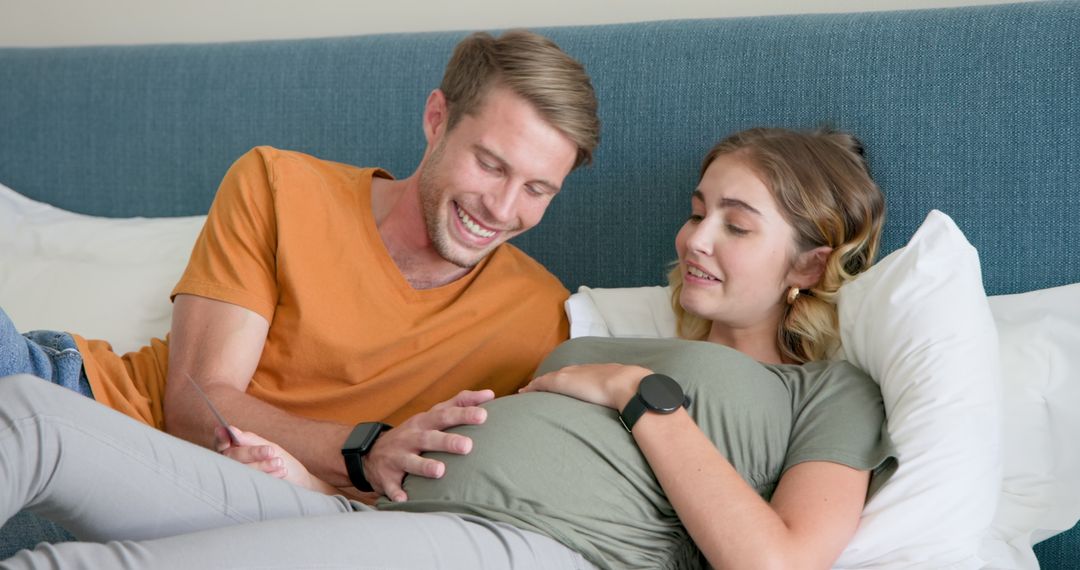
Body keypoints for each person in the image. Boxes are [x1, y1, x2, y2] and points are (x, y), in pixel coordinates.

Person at [0, 127, 894, 569]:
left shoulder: (826, 392)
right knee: (32, 415)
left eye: (737, 226)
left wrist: (635, 390)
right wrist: (314, 476)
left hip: (523, 547)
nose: (696, 239)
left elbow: (777, 563)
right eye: (699, 211)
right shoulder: (600, 331)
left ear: (809, 265)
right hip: (381, 517)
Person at [0, 29, 600, 500]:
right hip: (97, 404)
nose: (501, 208)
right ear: (437, 118)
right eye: (491, 165)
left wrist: (316, 481)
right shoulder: (279, 185)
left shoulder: (542, 322)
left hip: (244, 502)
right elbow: (194, 403)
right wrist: (364, 451)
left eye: (538, 190)